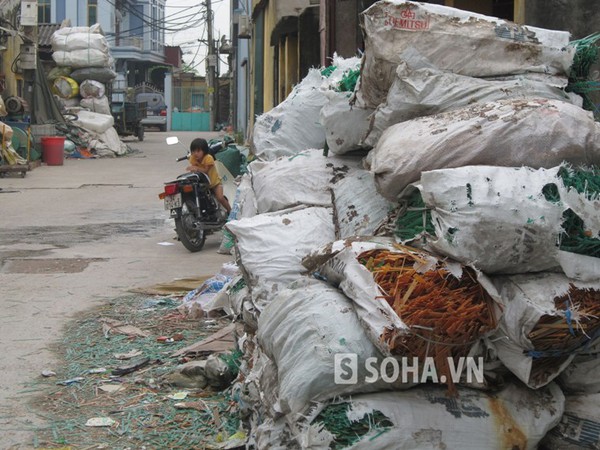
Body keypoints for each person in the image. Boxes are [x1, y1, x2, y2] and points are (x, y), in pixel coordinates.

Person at [186, 138, 232, 215]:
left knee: (220, 198)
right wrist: (193, 170)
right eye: (193, 151)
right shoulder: (193, 158)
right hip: (203, 185)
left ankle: (230, 211)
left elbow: (205, 171)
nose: (195, 153)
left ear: (204, 151)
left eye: (198, 151)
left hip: (215, 183)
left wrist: (196, 168)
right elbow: (194, 170)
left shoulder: (208, 158)